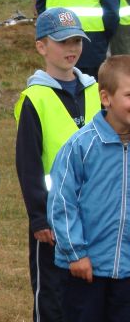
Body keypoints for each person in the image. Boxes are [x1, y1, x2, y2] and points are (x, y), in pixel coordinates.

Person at [14, 7, 99, 322]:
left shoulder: (95, 90)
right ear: (41, 46)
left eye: (76, 41)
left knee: (90, 292)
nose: (71, 48)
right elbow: (28, 164)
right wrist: (39, 218)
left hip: (94, 211)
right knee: (51, 294)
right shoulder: (34, 99)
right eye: (62, 42)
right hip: (53, 215)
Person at [48, 54, 130, 322]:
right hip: (86, 269)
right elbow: (62, 202)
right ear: (106, 98)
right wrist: (76, 254)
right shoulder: (80, 146)